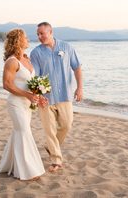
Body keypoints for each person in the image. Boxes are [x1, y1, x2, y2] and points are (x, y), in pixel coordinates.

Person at [29, 22, 83, 172]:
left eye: (42, 33)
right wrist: (38, 96)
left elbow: (77, 68)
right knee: (49, 130)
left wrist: (79, 88)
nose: (39, 37)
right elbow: (35, 77)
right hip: (46, 98)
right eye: (37, 34)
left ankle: (50, 146)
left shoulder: (67, 47)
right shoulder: (36, 53)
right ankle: (56, 160)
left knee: (67, 125)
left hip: (65, 95)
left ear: (50, 32)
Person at [0, 29, 47, 180]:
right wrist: (27, 95)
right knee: (24, 131)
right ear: (18, 40)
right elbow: (6, 85)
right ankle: (28, 171)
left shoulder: (27, 59)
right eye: (24, 37)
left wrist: (38, 96)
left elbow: (30, 84)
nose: (27, 39)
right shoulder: (12, 61)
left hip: (27, 104)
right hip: (16, 103)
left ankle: (8, 165)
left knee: (18, 132)